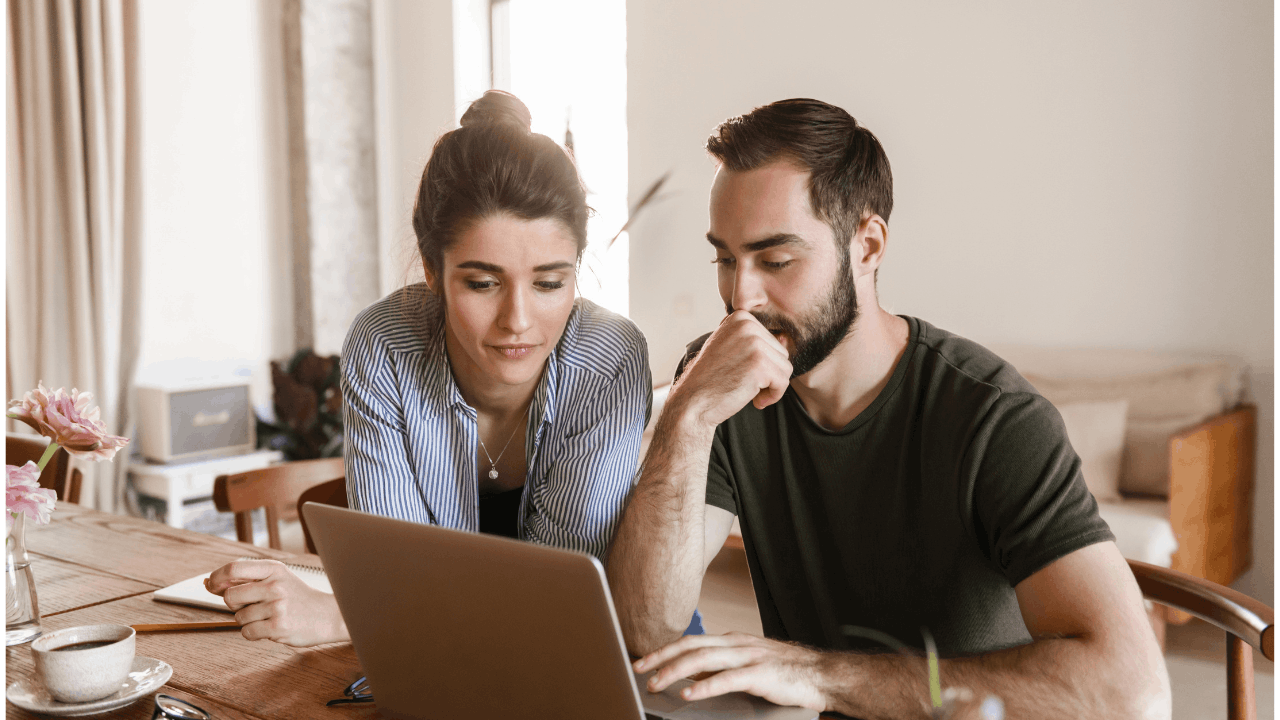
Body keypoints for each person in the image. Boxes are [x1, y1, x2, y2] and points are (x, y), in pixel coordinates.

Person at [607, 99, 1171, 719]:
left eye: (776, 261)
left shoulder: (995, 419)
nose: (741, 297)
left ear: (868, 245)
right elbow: (647, 627)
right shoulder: (720, 385)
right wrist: (686, 414)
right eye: (725, 258)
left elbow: (1132, 693)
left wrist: (818, 674)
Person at [205, 90, 681, 646]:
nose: (518, 321)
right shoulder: (385, 344)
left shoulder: (607, 357)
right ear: (432, 269)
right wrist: (384, 605)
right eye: (482, 283)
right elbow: (394, 571)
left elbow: (559, 601)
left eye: (550, 283)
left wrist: (342, 618)